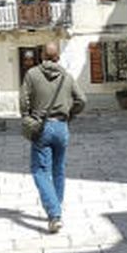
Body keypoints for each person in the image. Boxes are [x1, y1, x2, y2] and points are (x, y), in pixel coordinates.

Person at [19, 41, 85, 234]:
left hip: (41, 127)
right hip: (61, 127)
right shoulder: (67, 76)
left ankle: (54, 214)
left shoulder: (32, 74)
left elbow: (23, 101)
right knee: (58, 169)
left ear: (41, 56)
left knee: (40, 171)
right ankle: (56, 206)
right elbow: (82, 100)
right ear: (58, 57)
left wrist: (28, 116)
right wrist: (69, 114)